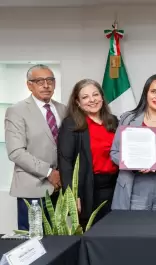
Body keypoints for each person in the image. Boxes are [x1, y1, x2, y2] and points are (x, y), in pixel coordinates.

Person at [4, 64, 66, 230]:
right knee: (32, 245)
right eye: (39, 81)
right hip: (32, 188)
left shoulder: (63, 109)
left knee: (57, 243)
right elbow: (16, 152)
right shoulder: (16, 111)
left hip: (60, 187)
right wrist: (48, 172)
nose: (46, 85)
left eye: (50, 80)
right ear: (29, 85)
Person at [110, 74, 156, 211]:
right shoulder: (128, 119)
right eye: (153, 91)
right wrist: (134, 164)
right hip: (135, 189)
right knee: (135, 230)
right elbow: (114, 153)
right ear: (146, 93)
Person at [58, 79, 119, 227]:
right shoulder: (71, 124)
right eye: (85, 97)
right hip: (88, 190)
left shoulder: (114, 121)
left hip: (115, 189)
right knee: (93, 236)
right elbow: (65, 162)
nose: (92, 100)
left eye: (95, 95)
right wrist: (72, 195)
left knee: (116, 233)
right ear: (78, 102)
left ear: (102, 97)